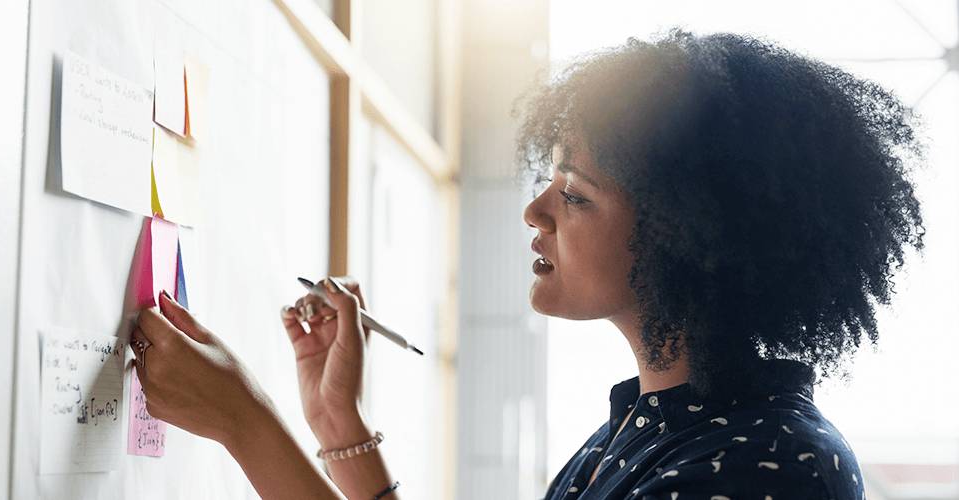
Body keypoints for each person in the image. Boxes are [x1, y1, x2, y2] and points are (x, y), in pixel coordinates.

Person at [130, 29, 926, 499]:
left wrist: (245, 423)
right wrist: (339, 427)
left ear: (688, 236)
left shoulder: (763, 467)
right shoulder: (653, 428)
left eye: (574, 196)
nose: (535, 212)